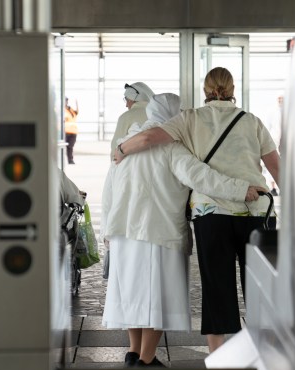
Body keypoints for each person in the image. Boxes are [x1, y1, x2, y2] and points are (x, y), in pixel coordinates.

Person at [114, 67, 280, 353]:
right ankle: (264, 356)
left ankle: (221, 360)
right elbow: (279, 169)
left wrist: (121, 149)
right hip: (256, 212)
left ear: (205, 90)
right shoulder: (252, 121)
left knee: (217, 289)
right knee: (261, 291)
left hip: (210, 215)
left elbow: (148, 138)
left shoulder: (188, 118)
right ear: (232, 88)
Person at [109, 82, 154, 160]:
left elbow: (115, 149)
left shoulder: (126, 117)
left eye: (126, 100)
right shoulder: (158, 114)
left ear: (133, 99)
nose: (126, 105)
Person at [64, 97, 79, 164]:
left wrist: (77, 104)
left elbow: (76, 113)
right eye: (65, 101)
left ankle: (70, 160)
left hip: (73, 131)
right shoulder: (62, 110)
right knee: (66, 146)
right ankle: (70, 160)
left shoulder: (70, 109)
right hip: (66, 131)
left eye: (67, 101)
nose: (66, 102)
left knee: (70, 146)